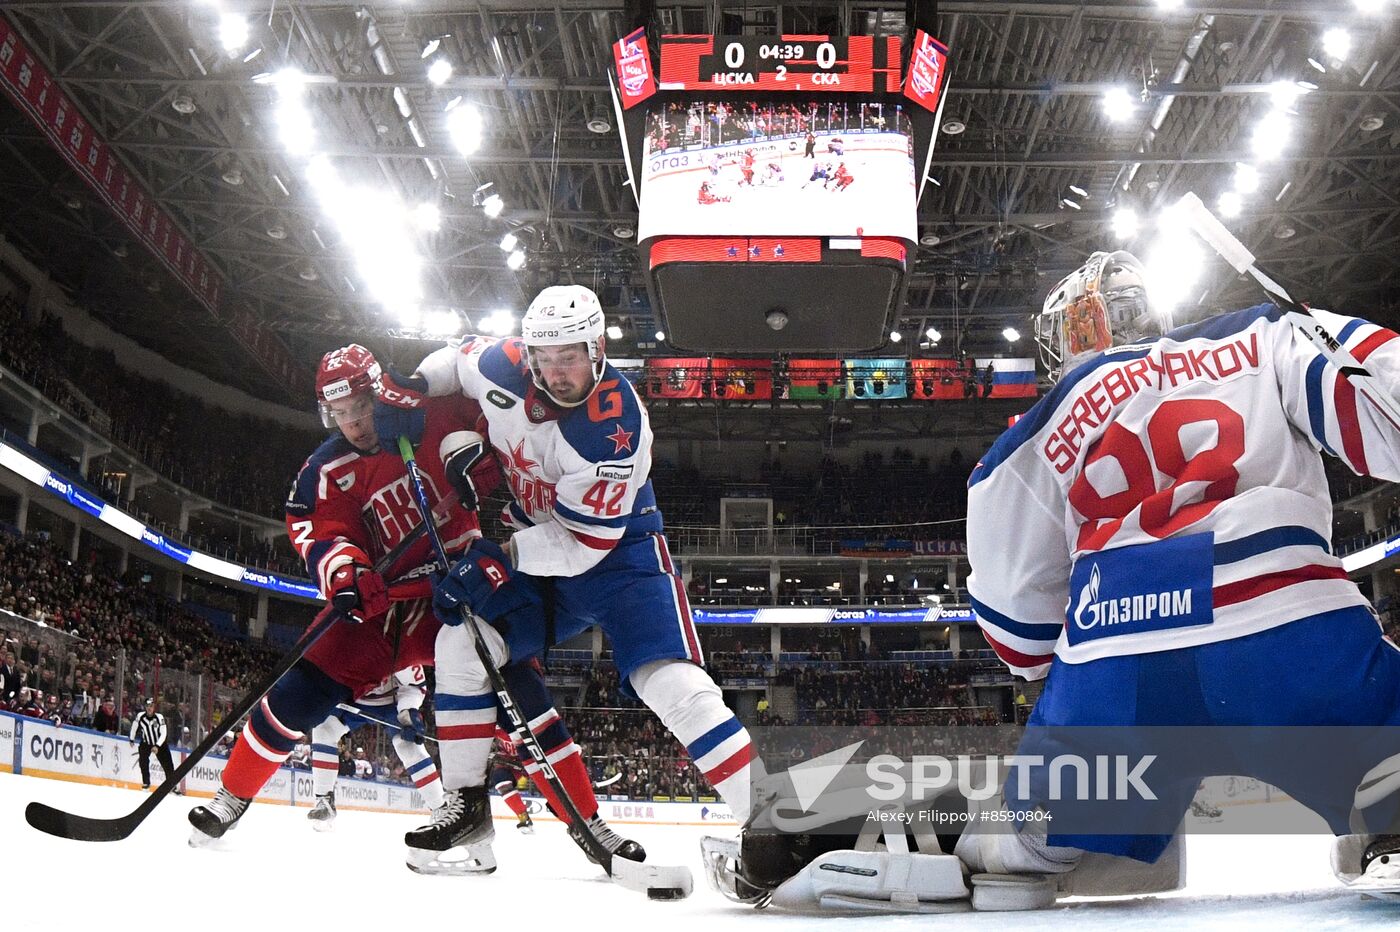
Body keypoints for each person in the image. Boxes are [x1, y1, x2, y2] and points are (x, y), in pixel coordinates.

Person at [955, 249, 1400, 897]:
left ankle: (1034, 841)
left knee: (1027, 836)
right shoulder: (1266, 336)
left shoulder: (1044, 421)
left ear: (1067, 334)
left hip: (1113, 667)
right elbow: (1385, 413)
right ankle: (1385, 809)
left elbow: (1016, 621)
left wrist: (1064, 687)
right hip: (1285, 629)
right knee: (1384, 769)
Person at [188, 344, 633, 876]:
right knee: (300, 691)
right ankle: (231, 798)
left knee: (522, 695)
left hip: (459, 588)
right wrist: (346, 573)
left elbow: (507, 423)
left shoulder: (434, 415)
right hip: (383, 605)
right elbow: (319, 532)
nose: (354, 424)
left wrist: (488, 463)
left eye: (361, 407)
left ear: (380, 393)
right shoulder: (326, 469)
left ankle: (589, 824)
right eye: (341, 414)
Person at [377, 285, 758, 850]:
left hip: (619, 553)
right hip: (539, 543)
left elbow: (583, 545)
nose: (555, 374)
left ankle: (772, 815)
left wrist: (498, 558)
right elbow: (454, 360)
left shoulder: (613, 427)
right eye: (544, 358)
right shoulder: (503, 363)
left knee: (670, 682)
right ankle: (464, 802)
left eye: (569, 358)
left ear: (598, 349)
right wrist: (412, 389)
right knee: (459, 643)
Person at [307, 665, 443, 831]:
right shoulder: (343, 641)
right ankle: (324, 800)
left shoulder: (399, 642)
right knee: (324, 730)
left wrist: (408, 712)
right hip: (355, 699)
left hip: (393, 702)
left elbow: (415, 687)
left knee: (409, 747)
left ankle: (440, 808)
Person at [130, 697, 176, 791]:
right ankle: (146, 783)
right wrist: (131, 739)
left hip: (160, 743)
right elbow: (134, 727)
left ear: (154, 707)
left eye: (151, 706)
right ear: (145, 707)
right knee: (143, 762)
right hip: (146, 743)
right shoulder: (140, 716)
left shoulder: (159, 717)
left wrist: (157, 745)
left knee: (168, 764)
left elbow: (164, 733)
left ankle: (171, 785)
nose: (149, 708)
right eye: (147, 706)